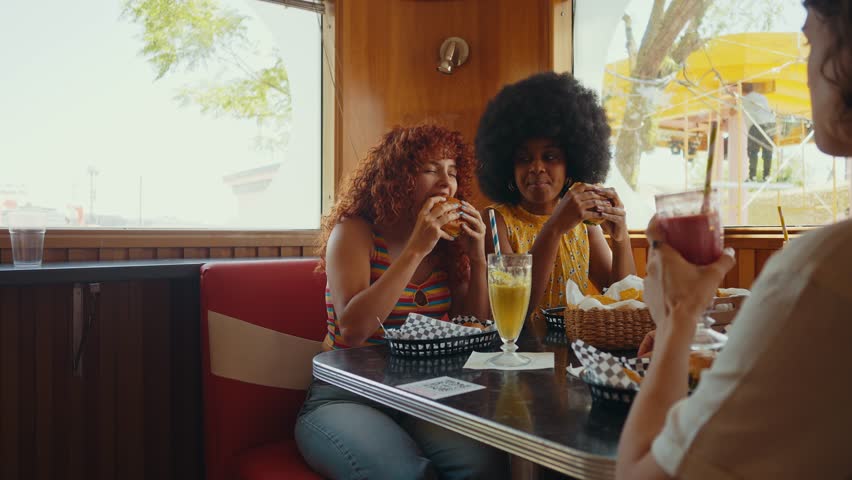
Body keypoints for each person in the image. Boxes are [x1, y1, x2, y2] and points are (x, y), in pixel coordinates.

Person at [617, 2, 852, 478]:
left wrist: (678, 318)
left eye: (811, 42)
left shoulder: (820, 272)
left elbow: (639, 473)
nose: (808, 69)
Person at [296, 124, 508, 479]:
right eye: (430, 170)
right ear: (398, 178)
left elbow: (470, 327)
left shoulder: (447, 245)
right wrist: (415, 249)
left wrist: (477, 258)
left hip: (421, 394)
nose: (446, 184)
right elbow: (353, 330)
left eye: (452, 171)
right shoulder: (354, 232)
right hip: (347, 394)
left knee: (485, 466)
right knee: (407, 474)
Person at [476, 71, 636, 329]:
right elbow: (517, 310)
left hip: (574, 346)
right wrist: (555, 227)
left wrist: (621, 238)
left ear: (571, 163)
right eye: (524, 159)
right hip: (519, 349)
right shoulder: (496, 222)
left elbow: (622, 299)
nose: (536, 167)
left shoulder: (583, 224)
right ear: (507, 166)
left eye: (550, 157)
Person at [742, 82, 777, 181]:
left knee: (753, 151)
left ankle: (752, 176)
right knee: (768, 151)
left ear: (742, 90)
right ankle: (766, 176)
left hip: (756, 125)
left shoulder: (744, 99)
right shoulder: (762, 97)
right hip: (770, 124)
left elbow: (732, 112)